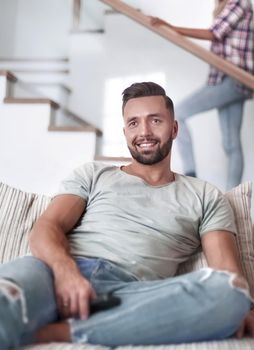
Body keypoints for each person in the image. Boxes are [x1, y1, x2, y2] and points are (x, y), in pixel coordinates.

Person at [0, 82, 254, 349]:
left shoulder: (205, 195)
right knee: (5, 295)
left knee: (230, 293)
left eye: (155, 121)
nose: (144, 132)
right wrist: (66, 272)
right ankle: (96, 326)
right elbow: (46, 227)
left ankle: (62, 332)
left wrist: (240, 307)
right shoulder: (94, 174)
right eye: (133, 123)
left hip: (134, 292)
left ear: (175, 128)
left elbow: (228, 272)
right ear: (125, 131)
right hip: (52, 273)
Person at [150, 0, 254, 190]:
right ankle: (233, 197)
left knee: (178, 112)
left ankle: (191, 173)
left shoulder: (238, 2)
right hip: (227, 80)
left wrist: (171, 27)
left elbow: (214, 33)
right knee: (231, 143)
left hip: (232, 79)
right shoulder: (225, 6)